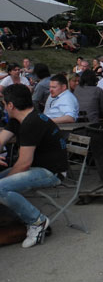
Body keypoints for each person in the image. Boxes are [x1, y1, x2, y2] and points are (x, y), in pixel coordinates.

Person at [0, 84, 68, 248]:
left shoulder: (32, 122)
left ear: (11, 105)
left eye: (3, 103)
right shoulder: (19, 119)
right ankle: (18, 218)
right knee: (2, 185)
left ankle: (37, 221)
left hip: (51, 172)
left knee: (1, 187)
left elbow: (24, 164)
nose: (3, 106)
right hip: (37, 168)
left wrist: (7, 182)